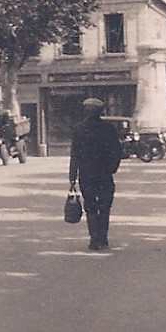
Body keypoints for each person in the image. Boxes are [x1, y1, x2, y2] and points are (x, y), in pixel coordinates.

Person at [68, 97, 123, 251]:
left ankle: (94, 238)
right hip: (105, 175)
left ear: (85, 112)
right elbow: (117, 151)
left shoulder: (79, 130)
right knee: (105, 207)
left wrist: (72, 177)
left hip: (86, 175)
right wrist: (113, 168)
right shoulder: (109, 129)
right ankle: (103, 237)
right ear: (101, 111)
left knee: (90, 207)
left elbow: (75, 156)